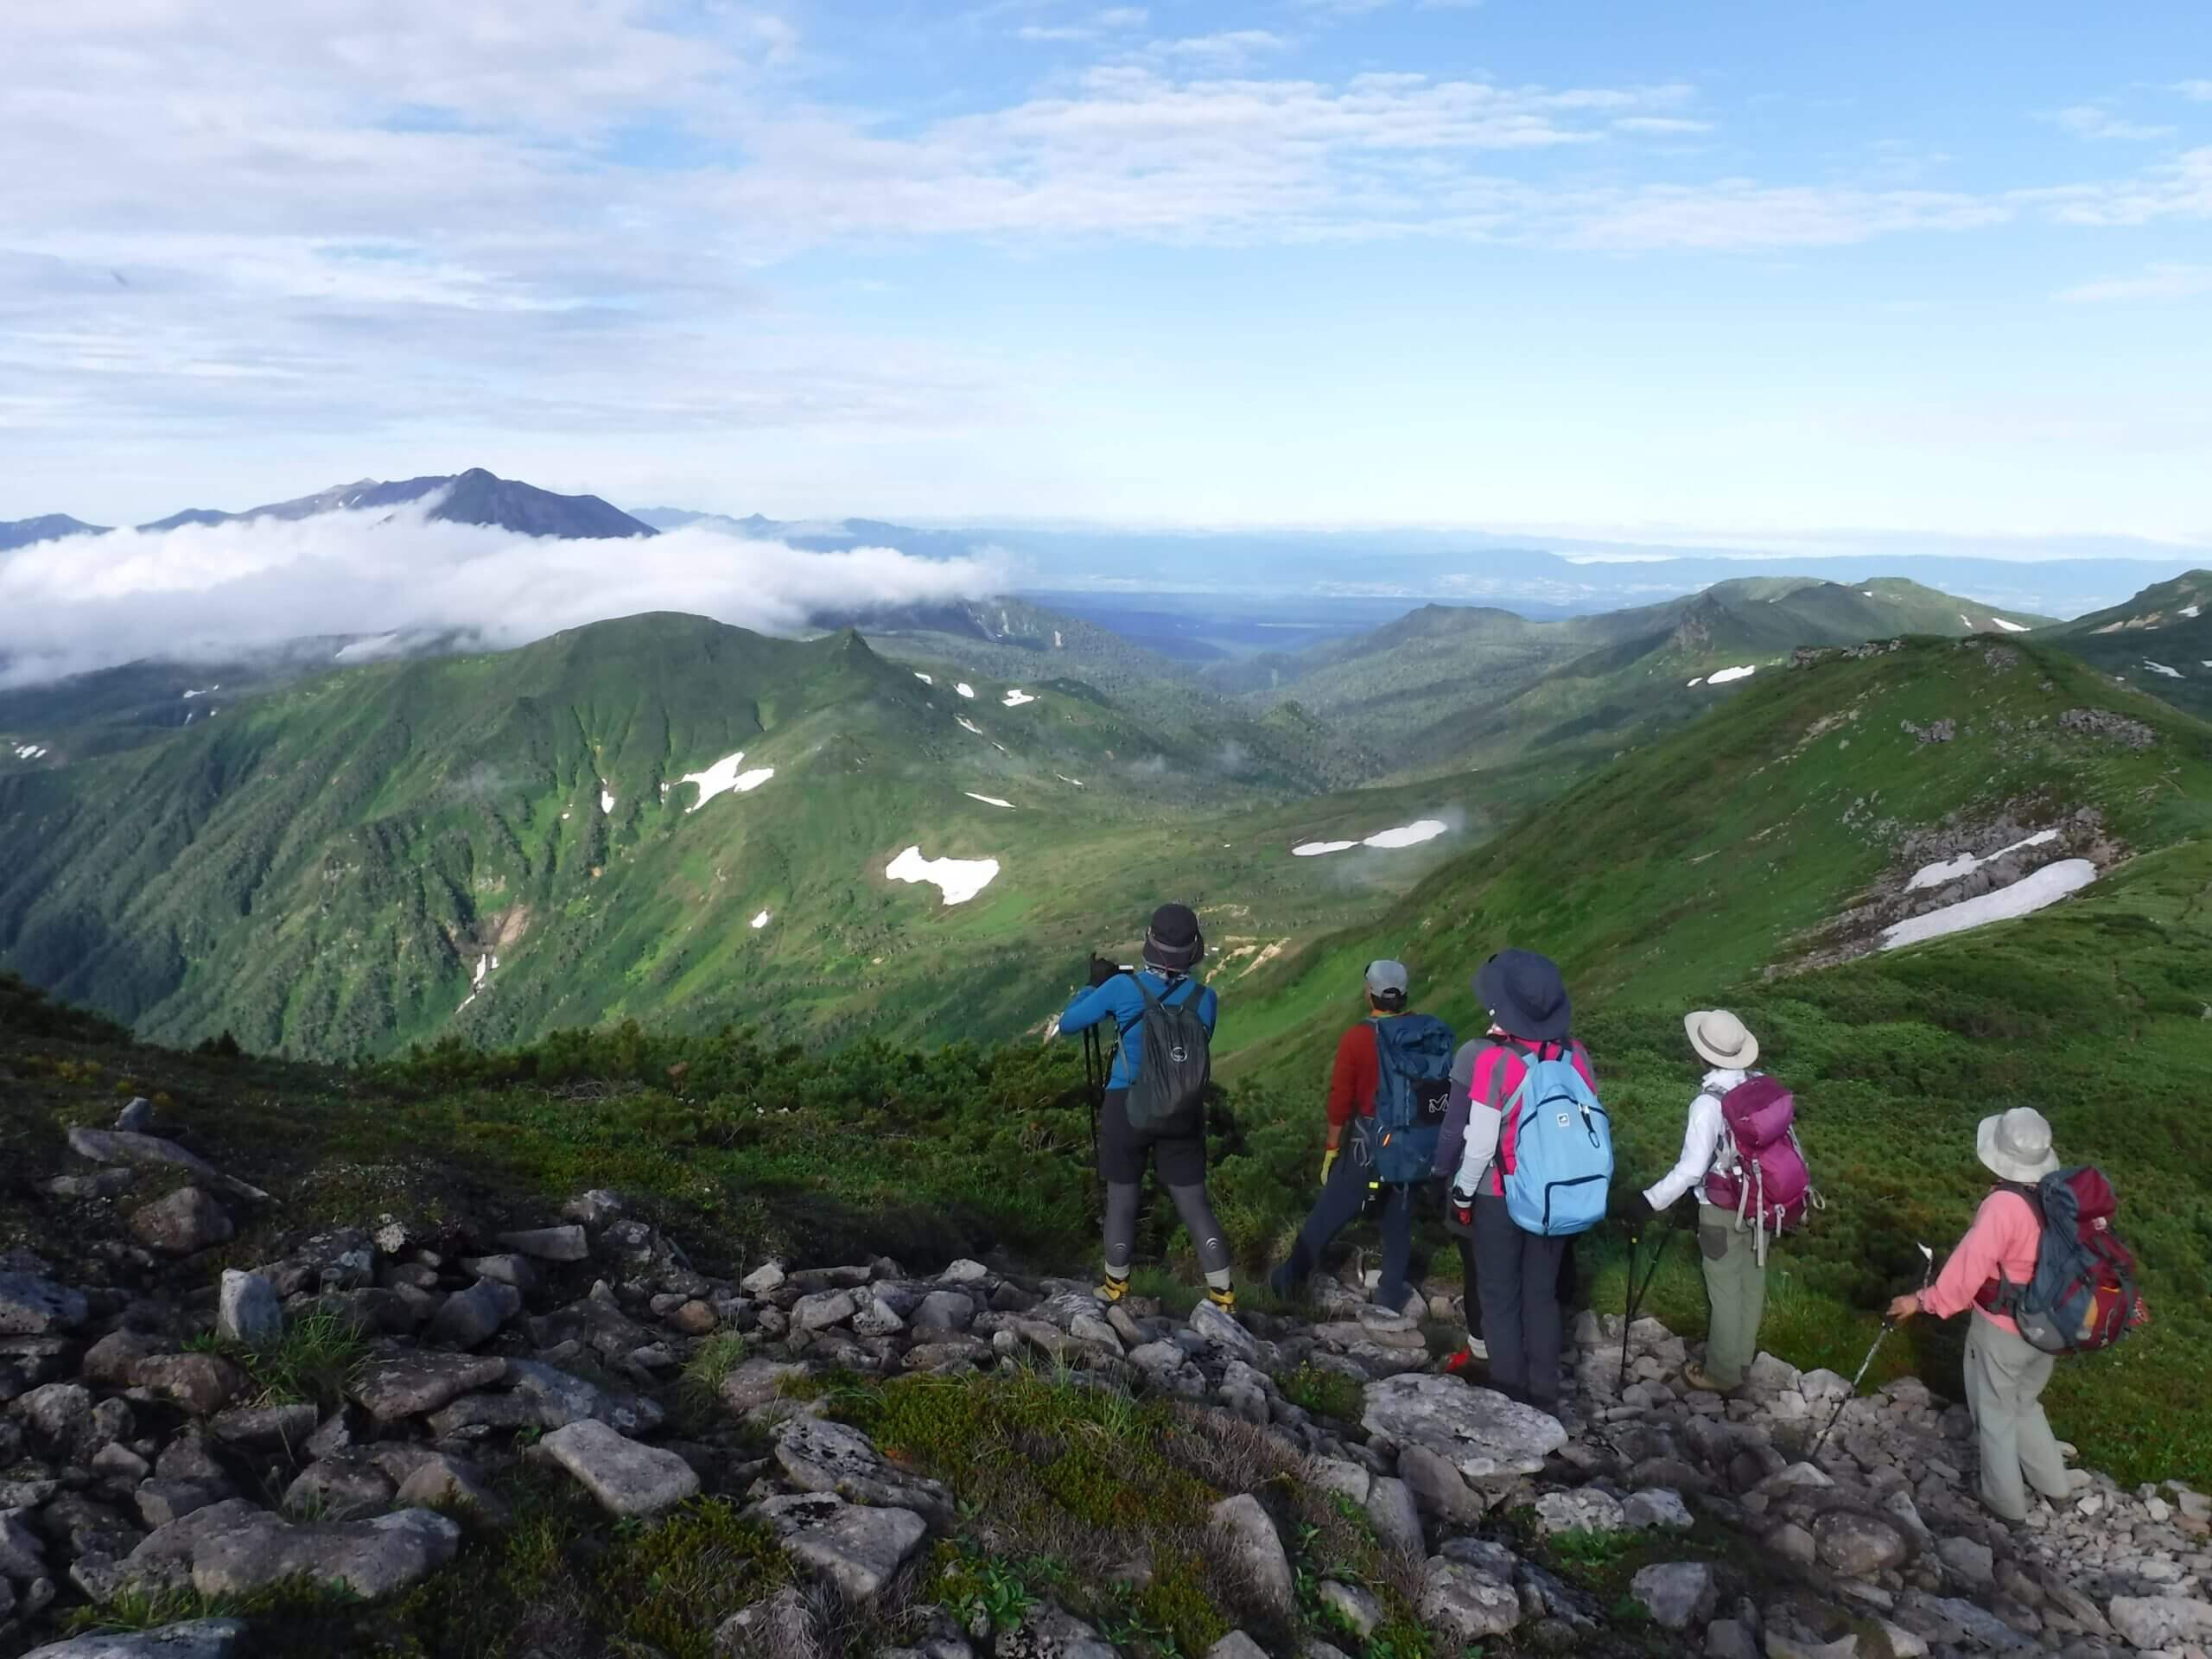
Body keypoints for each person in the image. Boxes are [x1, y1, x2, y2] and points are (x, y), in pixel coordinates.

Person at [1888, 1107, 2084, 1524]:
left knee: (1993, 1412)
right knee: (2025, 1403)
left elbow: (1966, 1273)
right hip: (2050, 1326)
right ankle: (2056, 1488)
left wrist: (1921, 1301)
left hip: (2003, 1330)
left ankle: (2005, 1504)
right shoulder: (2059, 1197)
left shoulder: (2003, 1207)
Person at [1433, 950, 1595, 1410]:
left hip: (1499, 1196)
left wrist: (1460, 1194)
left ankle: (1511, 1402)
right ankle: (1544, 1398)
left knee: (1500, 1297)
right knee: (1541, 1297)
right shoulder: (1575, 1054)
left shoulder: (1492, 1061)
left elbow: (1479, 1143)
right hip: (1555, 1195)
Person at [1058, 903, 1236, 1310]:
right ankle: (1223, 1295)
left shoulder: (1124, 990)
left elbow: (1069, 1023)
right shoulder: (1205, 999)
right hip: (1182, 1109)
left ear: (1150, 945)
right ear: (1193, 952)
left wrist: (1093, 987)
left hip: (1128, 1105)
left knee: (1123, 1198)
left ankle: (1115, 1288)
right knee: (1193, 1203)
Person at [1268, 961, 1452, 1314]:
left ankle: (1288, 1279)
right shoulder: (1426, 1031)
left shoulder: (1359, 1037)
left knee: (1329, 1212)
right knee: (1399, 1218)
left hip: (1368, 1145)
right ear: (1404, 994)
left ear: (1370, 993)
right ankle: (1390, 1293)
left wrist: (1332, 1148)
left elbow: (1341, 1099)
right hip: (1414, 1143)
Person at [1634, 1008, 1768, 1395]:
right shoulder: (1760, 1084)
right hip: (1762, 1202)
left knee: (1724, 1286)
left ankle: (1723, 1373)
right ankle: (1742, 1357)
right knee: (1751, 1280)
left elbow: (1692, 1169)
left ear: (1703, 1054)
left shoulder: (1707, 1103)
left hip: (1722, 1206)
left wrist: (1650, 1201)